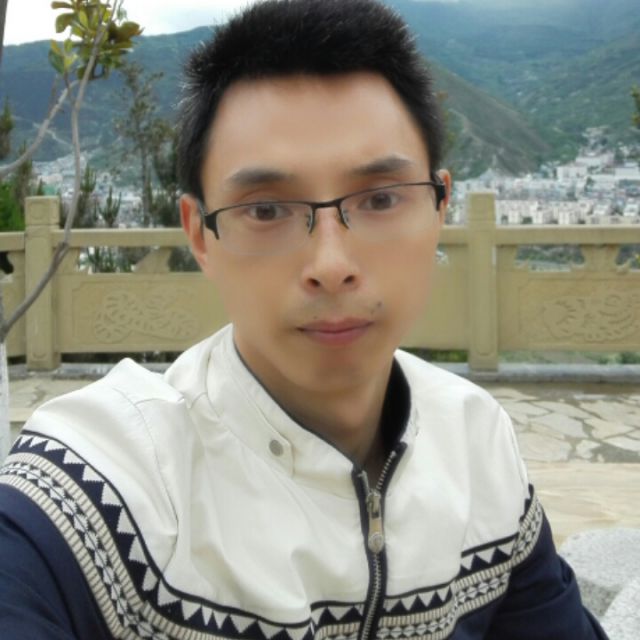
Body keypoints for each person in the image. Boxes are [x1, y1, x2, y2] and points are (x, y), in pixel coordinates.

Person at [0, 1, 607, 638]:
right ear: (199, 235)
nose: (331, 265)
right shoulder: (105, 487)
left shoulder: (478, 444)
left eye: (380, 199)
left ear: (440, 207)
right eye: (266, 210)